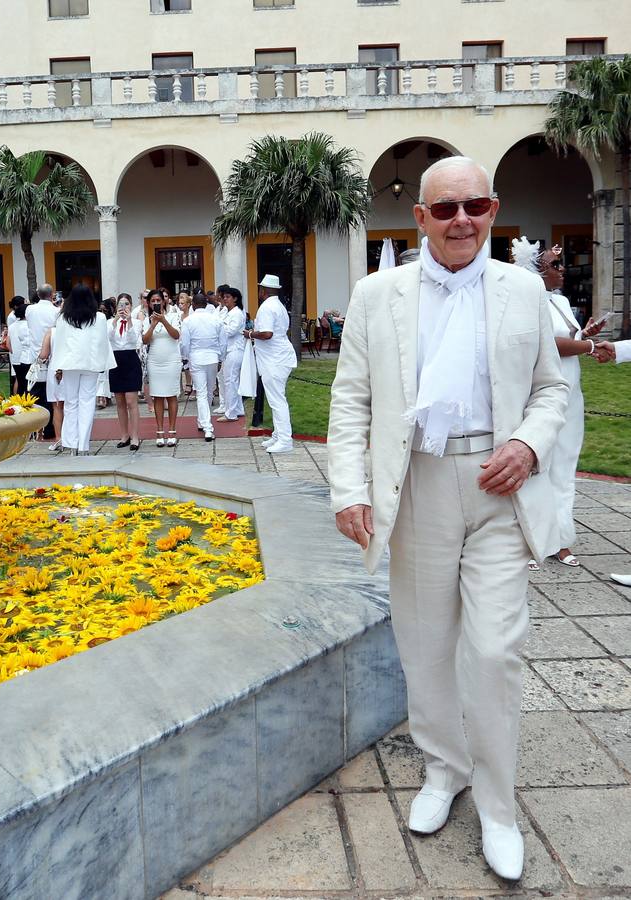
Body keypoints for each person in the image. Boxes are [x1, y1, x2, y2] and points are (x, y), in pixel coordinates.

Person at [328, 156, 568, 883]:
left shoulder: (522, 290)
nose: (462, 219)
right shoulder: (378, 294)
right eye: (445, 209)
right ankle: (443, 771)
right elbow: (349, 401)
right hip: (417, 483)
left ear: (492, 211)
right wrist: (347, 488)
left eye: (476, 205)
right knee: (424, 645)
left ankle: (497, 806)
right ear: (420, 219)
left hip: (497, 487)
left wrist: (528, 444)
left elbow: (549, 393)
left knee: (493, 651)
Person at [512, 238, 609, 570]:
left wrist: (585, 335)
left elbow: (570, 340)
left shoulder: (563, 302)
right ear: (537, 269)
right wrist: (588, 346)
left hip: (571, 394)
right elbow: (547, 344)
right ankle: (528, 540)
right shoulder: (525, 301)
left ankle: (560, 539)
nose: (562, 270)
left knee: (565, 468)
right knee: (537, 468)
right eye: (555, 264)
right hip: (539, 395)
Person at [51, 285, 115, 455]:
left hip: (70, 363)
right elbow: (102, 342)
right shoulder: (99, 318)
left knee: (71, 403)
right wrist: (102, 364)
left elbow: (60, 344)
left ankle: (72, 445)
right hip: (91, 363)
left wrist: (58, 366)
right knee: (87, 403)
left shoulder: (63, 318)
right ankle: (83, 446)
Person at [244, 274, 297, 453]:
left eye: (260, 288)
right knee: (276, 398)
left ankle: (284, 440)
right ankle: (278, 435)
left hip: (274, 360)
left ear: (263, 290)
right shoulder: (278, 306)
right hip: (278, 357)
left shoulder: (267, 307)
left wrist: (250, 334)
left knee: (277, 400)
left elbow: (267, 334)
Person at [141, 289, 183, 446]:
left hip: (171, 359)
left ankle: (172, 430)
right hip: (155, 361)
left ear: (164, 301)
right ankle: (159, 431)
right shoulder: (147, 319)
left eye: (158, 300)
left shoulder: (173, 315)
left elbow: (176, 335)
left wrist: (164, 320)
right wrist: (153, 324)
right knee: (157, 396)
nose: (156, 303)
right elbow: (145, 340)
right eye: (153, 301)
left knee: (171, 395)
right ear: (149, 303)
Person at [179, 292, 223, 441]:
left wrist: (186, 357)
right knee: (209, 392)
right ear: (206, 304)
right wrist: (221, 358)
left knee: (202, 393)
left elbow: (184, 344)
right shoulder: (216, 320)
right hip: (212, 358)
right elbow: (223, 342)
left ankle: (207, 426)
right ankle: (204, 423)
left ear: (193, 305)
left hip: (196, 358)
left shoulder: (188, 321)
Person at [108, 293, 143, 450]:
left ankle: (135, 436)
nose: (124, 308)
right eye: (121, 305)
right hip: (115, 360)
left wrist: (128, 321)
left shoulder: (136, 322)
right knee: (120, 402)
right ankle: (124, 435)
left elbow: (134, 340)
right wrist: (115, 321)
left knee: (131, 401)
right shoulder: (110, 322)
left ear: (131, 305)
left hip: (130, 358)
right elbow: (107, 339)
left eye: (127, 304)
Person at [25, 284, 60, 439]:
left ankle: (37, 428)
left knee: (36, 395)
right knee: (50, 397)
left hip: (35, 357)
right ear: (52, 295)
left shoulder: (30, 310)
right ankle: (51, 429)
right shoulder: (56, 311)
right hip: (51, 356)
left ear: (38, 294)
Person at [216, 286, 247, 421]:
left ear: (235, 299)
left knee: (230, 382)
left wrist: (219, 328)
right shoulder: (229, 312)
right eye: (224, 297)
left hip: (234, 350)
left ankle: (231, 413)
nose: (225, 299)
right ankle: (238, 409)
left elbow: (230, 331)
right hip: (229, 350)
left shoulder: (237, 313)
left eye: (228, 297)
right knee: (231, 380)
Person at [7, 296, 33, 395]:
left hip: (15, 358)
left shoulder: (12, 326)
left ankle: (18, 401)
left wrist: (14, 353)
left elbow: (8, 344)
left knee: (20, 382)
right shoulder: (28, 325)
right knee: (28, 384)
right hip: (26, 358)